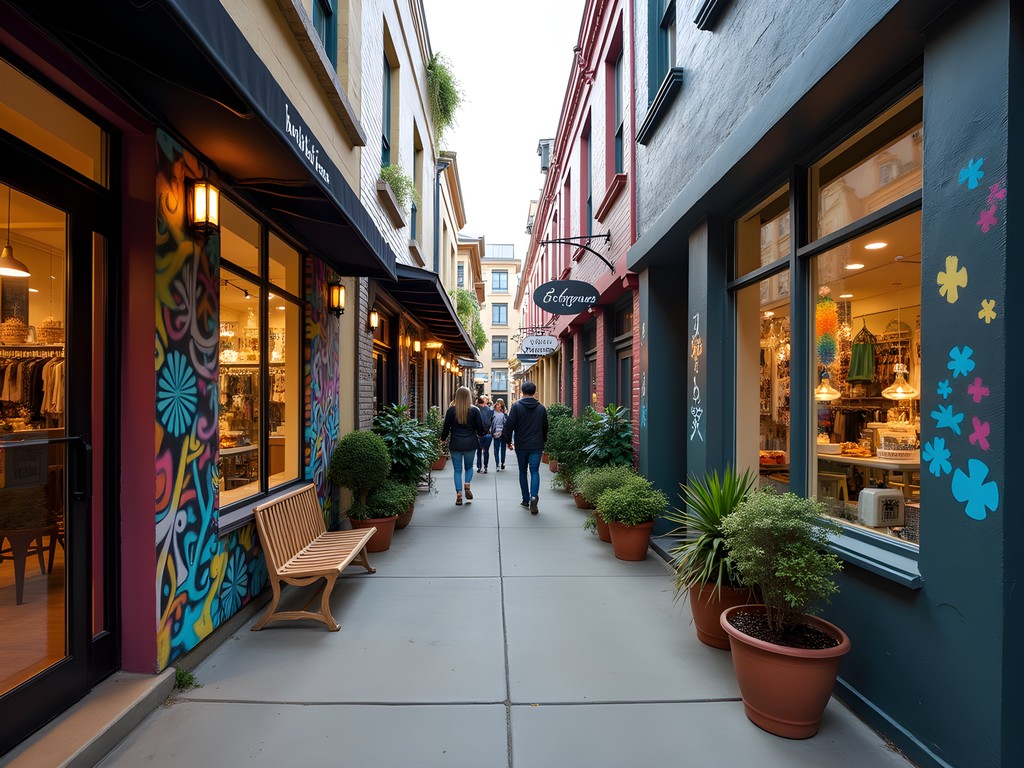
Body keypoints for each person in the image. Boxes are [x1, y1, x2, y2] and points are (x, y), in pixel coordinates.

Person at [503, 381, 548, 514]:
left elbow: (510, 425)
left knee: (523, 471)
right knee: (535, 471)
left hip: (522, 444)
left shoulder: (516, 406)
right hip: (537, 445)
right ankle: (534, 496)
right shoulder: (541, 408)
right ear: (534, 392)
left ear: (522, 391)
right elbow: (545, 427)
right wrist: (543, 441)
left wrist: (508, 441)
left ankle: (525, 499)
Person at [440, 386, 487, 506]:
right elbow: (480, 429)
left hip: (455, 443)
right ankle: (467, 483)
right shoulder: (475, 410)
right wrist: (480, 435)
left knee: (457, 470)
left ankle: (459, 495)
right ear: (469, 397)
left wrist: (442, 440)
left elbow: (446, 428)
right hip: (470, 443)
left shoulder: (451, 411)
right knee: (469, 467)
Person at [475, 395, 494, 473]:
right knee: (485, 451)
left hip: (479, 433)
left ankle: (480, 466)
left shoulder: (477, 410)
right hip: (487, 433)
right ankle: (485, 466)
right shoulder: (490, 410)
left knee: (479, 450)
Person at [490, 398, 508, 470]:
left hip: (496, 433)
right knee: (502, 449)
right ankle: (502, 463)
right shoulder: (504, 413)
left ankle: (498, 464)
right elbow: (507, 422)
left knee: (496, 449)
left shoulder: (493, 413)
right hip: (502, 433)